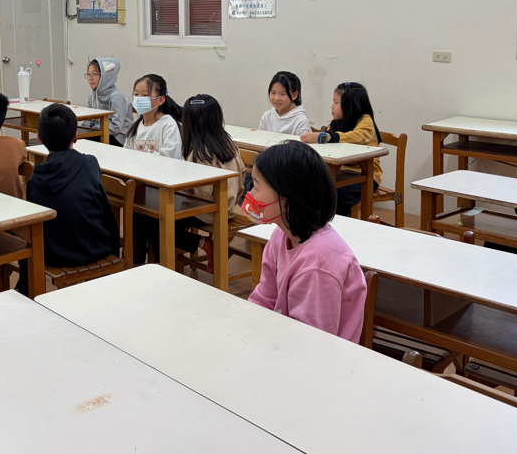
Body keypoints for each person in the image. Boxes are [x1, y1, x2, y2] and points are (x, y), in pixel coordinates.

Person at [247, 141, 367, 343]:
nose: (250, 194)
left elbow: (312, 341)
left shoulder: (318, 263)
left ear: (286, 198)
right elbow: (265, 298)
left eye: (256, 187)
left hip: (320, 355)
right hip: (285, 342)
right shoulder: (281, 236)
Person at [16, 104, 120, 295]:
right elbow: (104, 209)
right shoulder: (90, 163)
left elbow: (35, 224)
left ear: (39, 138)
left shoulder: (36, 177)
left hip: (55, 254)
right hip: (95, 248)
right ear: (75, 136)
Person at [134, 94, 245, 265]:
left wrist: (187, 197)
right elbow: (242, 174)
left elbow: (201, 193)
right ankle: (155, 264)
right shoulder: (228, 142)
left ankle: (166, 262)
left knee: (154, 221)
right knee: (152, 216)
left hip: (211, 210)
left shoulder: (201, 152)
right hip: (228, 204)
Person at [301, 81, 382, 217]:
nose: (331, 106)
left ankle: (339, 225)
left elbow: (356, 137)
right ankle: (315, 224)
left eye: (336, 102)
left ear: (350, 105)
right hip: (340, 171)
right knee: (309, 186)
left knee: (337, 195)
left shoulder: (365, 121)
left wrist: (326, 136)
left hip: (366, 175)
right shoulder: (336, 123)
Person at [123, 74, 183, 158]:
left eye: (145, 95)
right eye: (136, 94)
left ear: (160, 100)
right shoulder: (136, 127)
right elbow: (126, 153)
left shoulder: (168, 125)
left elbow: (170, 157)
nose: (139, 99)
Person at [82, 57, 132, 146]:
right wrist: (82, 130)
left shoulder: (117, 97)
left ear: (105, 77)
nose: (90, 78)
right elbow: (89, 120)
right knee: (76, 139)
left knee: (87, 144)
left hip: (118, 137)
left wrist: (94, 130)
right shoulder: (91, 96)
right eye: (88, 74)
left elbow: (116, 127)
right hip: (99, 131)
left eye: (94, 74)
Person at [258, 70, 311, 135]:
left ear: (294, 95)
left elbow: (301, 142)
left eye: (282, 94)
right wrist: (255, 135)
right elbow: (260, 138)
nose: (276, 98)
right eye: (273, 93)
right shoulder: (267, 116)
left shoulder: (300, 120)